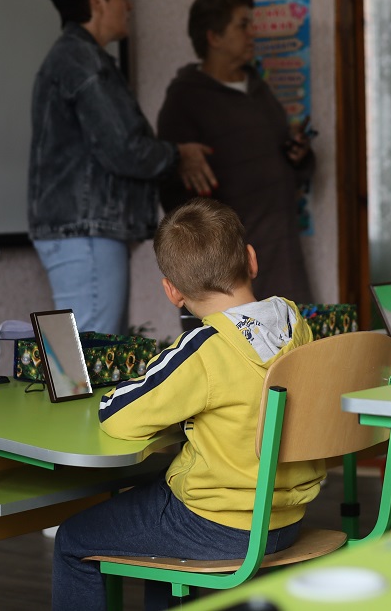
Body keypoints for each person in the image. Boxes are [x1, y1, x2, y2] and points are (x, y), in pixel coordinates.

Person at [52, 199, 320, 610]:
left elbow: (118, 417)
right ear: (251, 259)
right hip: (287, 518)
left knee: (73, 540)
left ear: (172, 291)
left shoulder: (203, 348)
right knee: (155, 509)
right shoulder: (293, 321)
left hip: (221, 524)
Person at [28, 0, 216, 335]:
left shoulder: (79, 57)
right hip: (87, 234)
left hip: (83, 232)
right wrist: (179, 155)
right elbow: (125, 149)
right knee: (92, 359)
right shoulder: (83, 61)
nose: (129, 5)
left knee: (80, 357)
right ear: (96, 0)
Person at [157, 0, 314, 303]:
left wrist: (299, 156)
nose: (252, 33)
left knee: (293, 348)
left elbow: (285, 161)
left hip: (281, 248)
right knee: (229, 350)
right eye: (243, 25)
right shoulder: (185, 99)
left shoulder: (258, 87)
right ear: (214, 37)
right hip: (228, 268)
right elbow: (177, 201)